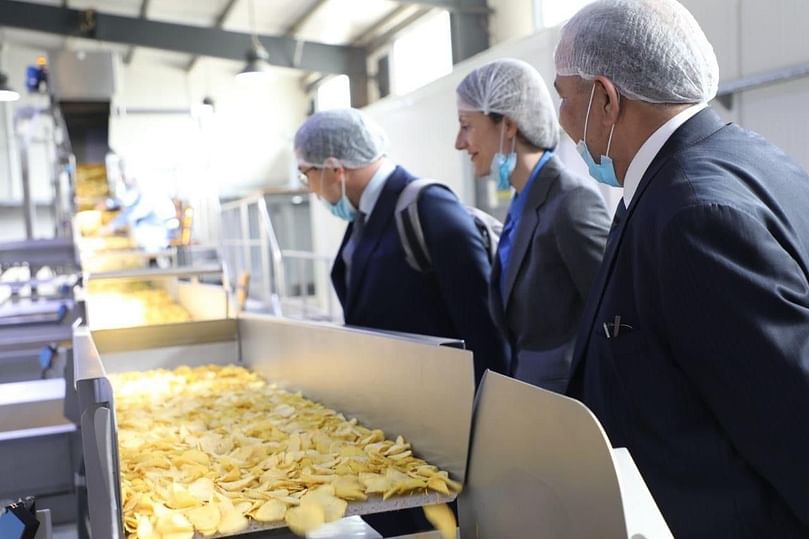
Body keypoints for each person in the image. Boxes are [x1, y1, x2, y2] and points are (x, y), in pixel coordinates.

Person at [553, 0, 809, 536]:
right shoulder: (745, 158)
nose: (560, 120)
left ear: (604, 98)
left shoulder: (691, 214)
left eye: (563, 97)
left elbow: (791, 427)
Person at [294, 107, 509, 535]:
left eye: (307, 173)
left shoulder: (427, 208)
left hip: (445, 434)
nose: (310, 187)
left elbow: (484, 328)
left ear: (334, 169)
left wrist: (482, 440)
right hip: (401, 426)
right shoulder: (366, 216)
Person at [454, 59, 610, 392]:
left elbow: (613, 315)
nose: (459, 142)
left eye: (466, 125)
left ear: (508, 125)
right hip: (533, 396)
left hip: (571, 406)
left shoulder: (571, 201)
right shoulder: (524, 200)